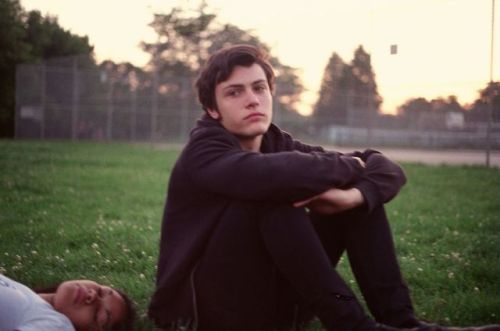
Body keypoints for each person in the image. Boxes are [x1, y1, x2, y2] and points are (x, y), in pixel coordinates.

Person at [148, 44, 500, 331]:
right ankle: (353, 325)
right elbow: (272, 176)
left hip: (279, 307)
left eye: (259, 88)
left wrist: (355, 194)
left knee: (359, 202)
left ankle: (402, 323)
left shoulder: (277, 143)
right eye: (234, 93)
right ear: (213, 108)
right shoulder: (204, 150)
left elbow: (387, 168)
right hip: (210, 314)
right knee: (273, 195)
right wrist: (352, 165)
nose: (253, 100)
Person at [0, 273, 135, 331]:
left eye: (96, 314)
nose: (92, 295)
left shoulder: (57, 325)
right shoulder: (26, 293)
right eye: (100, 291)